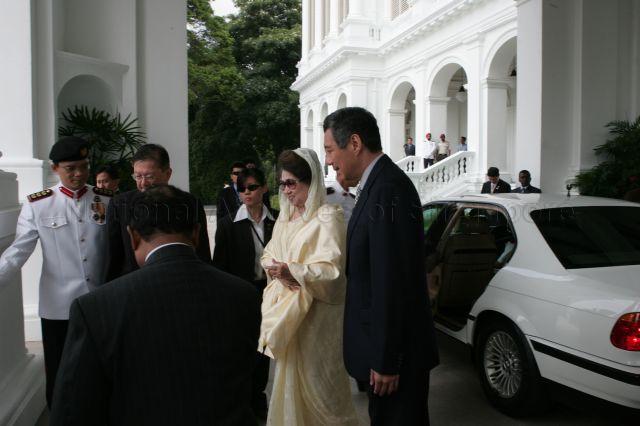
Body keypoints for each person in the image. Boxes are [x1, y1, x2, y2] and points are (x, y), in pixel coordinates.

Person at [50, 185, 260, 426]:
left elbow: (72, 409)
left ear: (133, 237)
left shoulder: (96, 307)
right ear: (196, 233)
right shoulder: (243, 295)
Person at [323, 107, 439, 425]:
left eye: (330, 150)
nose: (329, 161)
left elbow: (391, 282)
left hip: (395, 362)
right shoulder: (378, 185)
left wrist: (387, 360)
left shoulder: (388, 190)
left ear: (355, 143)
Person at [0, 136, 113, 408]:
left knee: (102, 371)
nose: (78, 174)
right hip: (58, 307)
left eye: (84, 166)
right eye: (70, 168)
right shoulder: (38, 204)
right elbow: (18, 252)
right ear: (55, 169)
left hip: (100, 302)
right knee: (61, 376)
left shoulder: (106, 201)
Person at [259, 148, 358, 426]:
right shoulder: (285, 218)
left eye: (292, 183)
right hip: (289, 318)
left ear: (311, 180)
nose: (286, 191)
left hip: (317, 321)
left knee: (323, 392)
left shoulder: (328, 215)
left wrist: (293, 270)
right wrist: (276, 269)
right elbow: (268, 254)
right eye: (282, 184)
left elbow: (333, 272)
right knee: (289, 383)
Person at [212, 168, 277, 421]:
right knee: (242, 349)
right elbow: (220, 266)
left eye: (252, 187)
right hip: (240, 294)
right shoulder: (228, 225)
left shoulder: (278, 220)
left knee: (264, 349)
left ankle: (258, 397)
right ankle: (244, 399)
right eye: (242, 189)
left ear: (263, 188)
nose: (247, 193)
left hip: (270, 294)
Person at [106, 144, 210, 280]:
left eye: (149, 176)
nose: (143, 183)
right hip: (134, 286)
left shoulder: (190, 203)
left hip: (182, 281)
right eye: (137, 176)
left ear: (168, 173)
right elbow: (113, 256)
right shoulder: (119, 204)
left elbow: (202, 253)